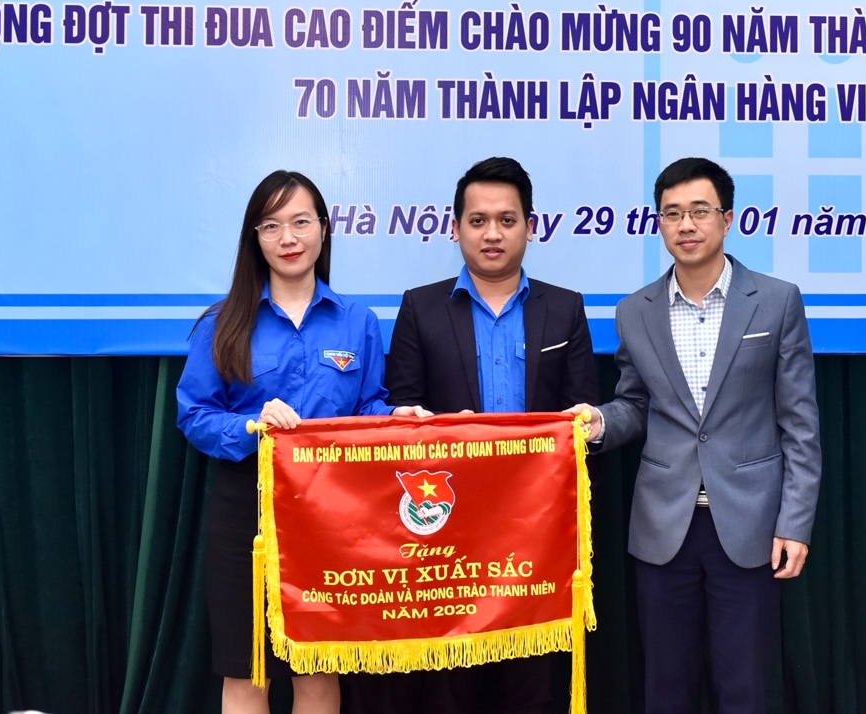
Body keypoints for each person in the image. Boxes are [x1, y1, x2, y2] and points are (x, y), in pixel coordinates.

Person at [565, 157, 820, 714]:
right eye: (672, 213)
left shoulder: (776, 301)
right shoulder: (634, 311)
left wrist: (794, 523)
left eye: (700, 211)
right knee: (665, 689)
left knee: (743, 689)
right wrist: (599, 422)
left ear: (727, 219)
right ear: (658, 223)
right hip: (663, 528)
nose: (686, 225)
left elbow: (800, 425)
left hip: (750, 526)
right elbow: (636, 404)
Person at [177, 170, 430, 714]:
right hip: (247, 509)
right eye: (271, 226)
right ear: (254, 238)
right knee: (248, 672)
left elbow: (366, 406)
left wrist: (394, 417)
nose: (288, 238)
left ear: (323, 229)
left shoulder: (357, 321)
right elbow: (194, 414)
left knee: (317, 668)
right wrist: (250, 425)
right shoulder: (223, 323)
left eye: (300, 222)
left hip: (330, 512)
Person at [378, 156, 599, 714]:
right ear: (455, 229)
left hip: (537, 534)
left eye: (506, 220)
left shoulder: (565, 308)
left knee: (532, 685)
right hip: (447, 535)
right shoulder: (420, 307)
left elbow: (584, 418)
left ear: (530, 226)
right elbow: (399, 412)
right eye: (477, 221)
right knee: (451, 685)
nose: (492, 234)